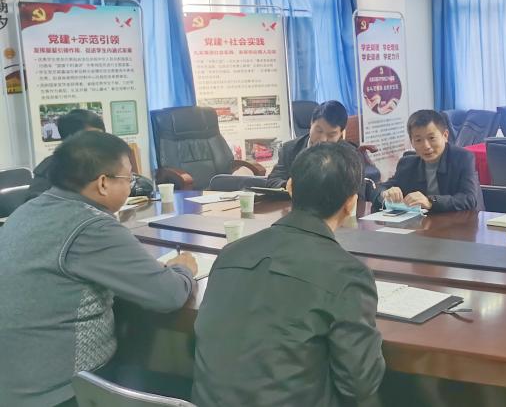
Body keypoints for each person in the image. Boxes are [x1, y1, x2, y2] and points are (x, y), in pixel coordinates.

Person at [0, 131, 197, 407]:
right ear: (103, 183)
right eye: (128, 178)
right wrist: (183, 270)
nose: (131, 185)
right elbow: (169, 295)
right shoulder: (91, 226)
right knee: (188, 385)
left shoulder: (27, 210)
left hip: (13, 385)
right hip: (64, 392)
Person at [192, 142, 386, 407]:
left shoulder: (231, 253)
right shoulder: (348, 274)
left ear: (291, 187)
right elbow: (360, 385)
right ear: (351, 203)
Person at [377, 109, 483, 213]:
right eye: (418, 140)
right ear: (412, 142)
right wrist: (386, 193)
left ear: (445, 135)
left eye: (431, 138)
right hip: (424, 222)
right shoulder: (407, 164)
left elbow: (469, 199)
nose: (426, 146)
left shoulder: (463, 158)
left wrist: (430, 202)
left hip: (463, 221)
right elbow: (380, 188)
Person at [266, 101, 379, 188]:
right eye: (319, 131)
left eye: (331, 134)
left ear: (341, 133)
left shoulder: (350, 154)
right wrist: (289, 185)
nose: (323, 139)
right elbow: (273, 181)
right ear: (311, 123)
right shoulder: (289, 149)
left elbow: (359, 192)